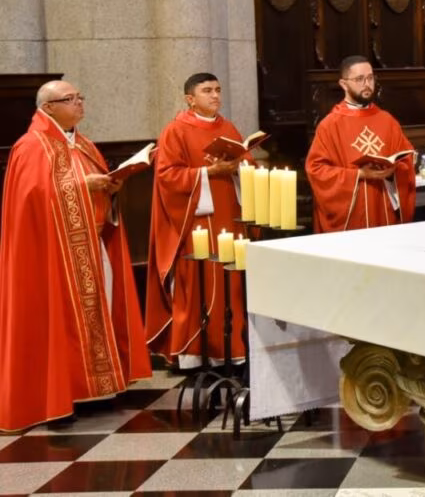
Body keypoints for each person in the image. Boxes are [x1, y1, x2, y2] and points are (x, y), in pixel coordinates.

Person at [0, 81, 151, 430]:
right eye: (71, 99)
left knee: (100, 309)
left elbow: (91, 188)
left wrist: (111, 190)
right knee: (60, 321)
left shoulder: (82, 144)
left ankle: (97, 390)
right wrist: (86, 186)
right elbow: (33, 200)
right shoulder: (31, 147)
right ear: (48, 107)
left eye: (81, 97)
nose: (80, 104)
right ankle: (63, 394)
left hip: (91, 245)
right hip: (52, 258)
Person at [146, 73, 249, 368]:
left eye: (217, 89)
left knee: (232, 283)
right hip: (198, 221)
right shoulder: (175, 131)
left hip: (230, 215)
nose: (215, 96)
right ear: (190, 99)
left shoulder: (227, 127)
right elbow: (167, 177)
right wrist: (207, 173)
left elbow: (244, 162)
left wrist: (240, 165)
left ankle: (234, 347)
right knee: (200, 281)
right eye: (207, 91)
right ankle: (196, 353)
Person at [306, 55, 416, 231]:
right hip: (350, 221)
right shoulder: (330, 125)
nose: (367, 84)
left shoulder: (387, 121)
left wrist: (391, 172)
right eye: (359, 79)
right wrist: (359, 175)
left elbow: (406, 163)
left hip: (384, 212)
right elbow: (316, 170)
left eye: (370, 78)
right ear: (343, 84)